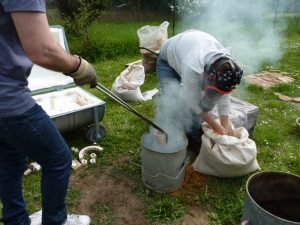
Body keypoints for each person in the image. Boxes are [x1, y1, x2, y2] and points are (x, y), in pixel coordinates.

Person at [0, 1, 97, 225]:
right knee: (58, 160)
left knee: (9, 158)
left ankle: (15, 220)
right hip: (7, 99)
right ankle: (56, 221)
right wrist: (79, 66)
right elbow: (42, 50)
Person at [157, 29, 243, 152]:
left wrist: (224, 130)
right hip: (168, 56)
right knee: (172, 99)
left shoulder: (227, 68)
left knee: (200, 106)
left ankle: (190, 129)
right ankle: (176, 132)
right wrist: (216, 127)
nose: (218, 94)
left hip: (187, 49)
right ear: (208, 76)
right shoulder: (193, 67)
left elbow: (224, 99)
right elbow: (192, 102)